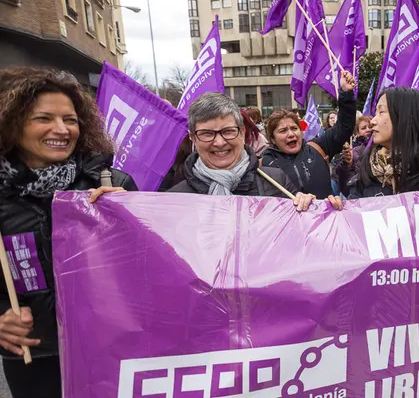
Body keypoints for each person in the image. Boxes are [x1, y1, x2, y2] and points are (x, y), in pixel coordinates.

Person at [0, 67, 137, 397]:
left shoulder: (113, 185)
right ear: (13, 123)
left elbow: (152, 270)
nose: (61, 129)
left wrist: (133, 218)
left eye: (70, 120)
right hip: (36, 358)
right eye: (43, 118)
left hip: (111, 349)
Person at [168, 93, 316, 211]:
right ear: (193, 138)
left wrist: (313, 208)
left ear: (242, 133)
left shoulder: (277, 181)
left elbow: (299, 235)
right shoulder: (174, 200)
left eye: (228, 131)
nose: (219, 142)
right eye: (207, 133)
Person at [343, 87, 419, 200]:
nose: (373, 121)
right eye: (376, 113)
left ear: (405, 118)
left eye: (381, 112)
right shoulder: (365, 177)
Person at [261, 71, 356, 199]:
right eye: (283, 131)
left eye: (294, 128)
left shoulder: (318, 148)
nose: (291, 134)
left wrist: (346, 93)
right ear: (272, 138)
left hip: (325, 217)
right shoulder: (264, 164)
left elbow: (344, 127)